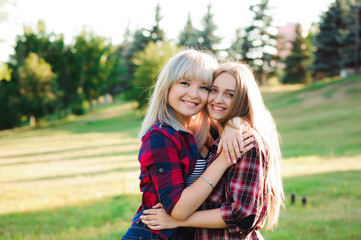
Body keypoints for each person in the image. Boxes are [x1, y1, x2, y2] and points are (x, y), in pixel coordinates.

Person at [140, 61, 285, 239]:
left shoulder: (244, 143)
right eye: (213, 90)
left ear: (242, 99)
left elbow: (244, 215)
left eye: (230, 94)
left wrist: (180, 220)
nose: (217, 99)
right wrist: (234, 123)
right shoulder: (214, 136)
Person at [121, 51, 254, 240]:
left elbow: (240, 108)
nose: (193, 94)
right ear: (168, 86)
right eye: (185, 83)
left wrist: (235, 123)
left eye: (204, 87)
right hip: (154, 234)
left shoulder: (206, 132)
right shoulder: (160, 136)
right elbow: (178, 209)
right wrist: (223, 160)